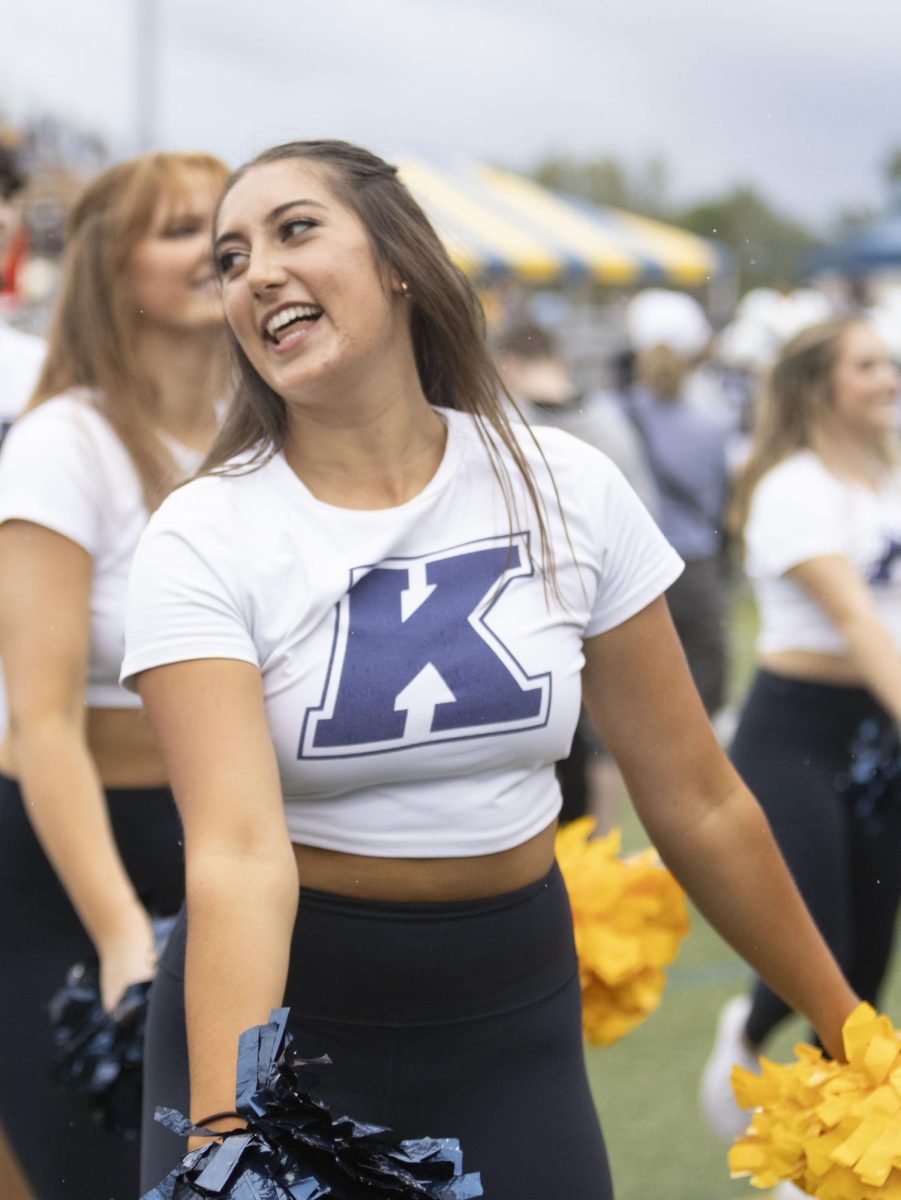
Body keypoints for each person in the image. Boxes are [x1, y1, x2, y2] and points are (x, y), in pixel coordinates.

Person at [122, 141, 858, 1200]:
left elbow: (696, 798)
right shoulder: (205, 532)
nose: (256, 273)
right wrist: (225, 1136)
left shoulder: (566, 484)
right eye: (230, 259)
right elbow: (236, 853)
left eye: (294, 230)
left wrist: (844, 1024)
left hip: (510, 1018)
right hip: (291, 1023)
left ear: (397, 263)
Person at [0, 149, 229, 1200]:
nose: (216, 250)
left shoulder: (262, 442)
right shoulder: (63, 444)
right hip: (69, 863)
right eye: (182, 230)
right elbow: (40, 723)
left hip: (230, 851)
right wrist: (121, 934)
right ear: (112, 267)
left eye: (223, 228)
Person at [700, 318, 901, 1159]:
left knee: (864, 967)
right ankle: (744, 1034)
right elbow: (855, 619)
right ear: (821, 386)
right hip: (795, 740)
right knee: (811, 952)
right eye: (867, 365)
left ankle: (823, 1154)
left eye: (888, 361)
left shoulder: (889, 478)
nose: (888, 376)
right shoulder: (790, 487)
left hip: (877, 740)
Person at [620, 288, 731, 715]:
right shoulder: (714, 419)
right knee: (702, 678)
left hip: (635, 560)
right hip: (697, 562)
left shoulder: (616, 412)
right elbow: (717, 494)